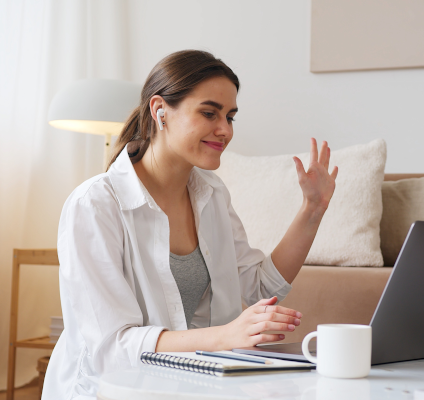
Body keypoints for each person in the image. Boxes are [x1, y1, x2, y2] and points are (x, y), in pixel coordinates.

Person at [42, 50, 338, 400]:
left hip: (191, 384)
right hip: (110, 390)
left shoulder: (211, 194)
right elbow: (112, 349)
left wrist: (313, 209)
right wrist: (226, 336)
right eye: (209, 113)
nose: (225, 130)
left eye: (230, 117)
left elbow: (258, 287)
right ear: (160, 111)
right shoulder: (94, 205)